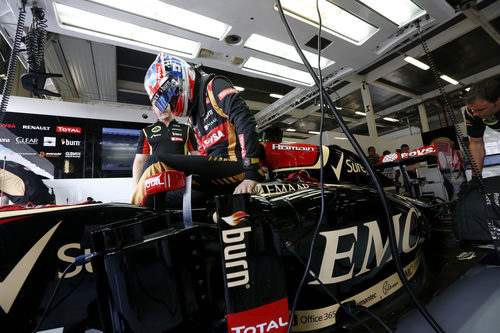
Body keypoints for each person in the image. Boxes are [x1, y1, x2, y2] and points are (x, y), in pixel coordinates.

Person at [132, 53, 263, 205]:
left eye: (170, 98)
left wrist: (251, 174)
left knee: (156, 161)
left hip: (237, 166)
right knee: (160, 196)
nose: (171, 105)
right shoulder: (193, 116)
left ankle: (132, 214)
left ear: (179, 82)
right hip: (215, 173)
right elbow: (202, 152)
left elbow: (244, 120)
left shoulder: (215, 86)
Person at [131, 103, 199, 205]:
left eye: (164, 105)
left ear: (170, 106)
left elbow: (196, 156)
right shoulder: (147, 131)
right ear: (153, 109)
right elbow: (140, 161)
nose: (162, 109)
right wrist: (137, 188)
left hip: (180, 181)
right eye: (158, 106)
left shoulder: (186, 129)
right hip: (156, 182)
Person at [464, 78, 500, 176]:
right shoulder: (472, 112)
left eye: (480, 109)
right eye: (473, 110)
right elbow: (476, 144)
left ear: (498, 100)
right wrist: (476, 177)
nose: (475, 114)